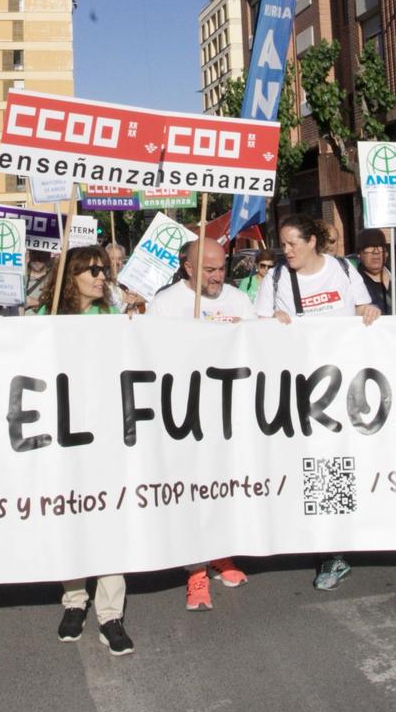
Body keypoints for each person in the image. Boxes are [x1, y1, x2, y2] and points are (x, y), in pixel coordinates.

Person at [253, 216, 377, 590]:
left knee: (338, 460)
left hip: (345, 382)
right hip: (300, 385)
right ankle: (318, 541)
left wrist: (369, 313)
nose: (286, 251)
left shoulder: (341, 269)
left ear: (312, 242)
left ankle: (335, 549)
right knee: (310, 461)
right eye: (283, 245)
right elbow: (257, 326)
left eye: (292, 243)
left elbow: (362, 309)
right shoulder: (275, 279)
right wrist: (271, 319)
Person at [146, 236, 254, 609]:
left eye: (222, 268)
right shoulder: (165, 303)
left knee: (223, 488)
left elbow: (258, 347)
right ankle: (195, 570)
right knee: (192, 492)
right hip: (185, 416)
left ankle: (221, 554)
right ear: (188, 268)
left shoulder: (238, 300)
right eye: (209, 269)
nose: (218, 276)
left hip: (228, 415)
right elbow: (152, 357)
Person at [44, 246, 136, 654]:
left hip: (107, 435)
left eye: (104, 269)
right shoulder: (44, 321)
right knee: (72, 518)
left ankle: (110, 613)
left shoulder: (114, 320)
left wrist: (139, 324)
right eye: (93, 270)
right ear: (72, 276)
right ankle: (74, 599)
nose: (102, 276)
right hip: (62, 438)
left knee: (110, 519)